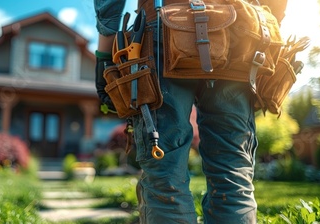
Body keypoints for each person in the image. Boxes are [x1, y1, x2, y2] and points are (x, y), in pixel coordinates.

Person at [94, 0, 286, 223]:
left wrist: (105, 56)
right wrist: (269, 28)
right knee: (233, 174)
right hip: (241, 34)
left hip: (162, 29)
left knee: (165, 178)